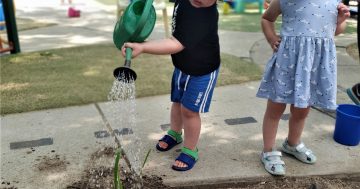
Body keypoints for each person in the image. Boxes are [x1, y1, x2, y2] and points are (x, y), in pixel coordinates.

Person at [121, 0, 220, 171]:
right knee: (177, 101)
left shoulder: (203, 16)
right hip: (182, 66)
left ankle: (190, 150)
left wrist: (143, 47)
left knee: (189, 111)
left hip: (202, 71)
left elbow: (175, 44)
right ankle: (175, 133)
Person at [256, 0, 350, 175]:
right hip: (288, 62)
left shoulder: (333, 2)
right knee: (275, 108)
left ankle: (292, 143)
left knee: (302, 110)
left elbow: (335, 31)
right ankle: (268, 150)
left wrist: (340, 20)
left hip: (315, 64)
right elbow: (267, 19)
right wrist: (272, 38)